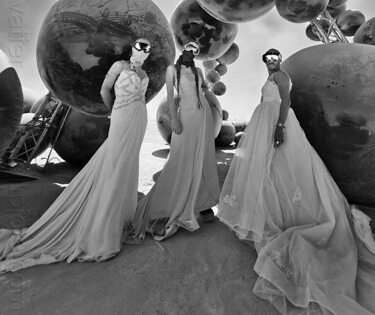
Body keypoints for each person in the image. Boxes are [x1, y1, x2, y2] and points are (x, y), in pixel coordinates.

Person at [217, 48, 375, 315]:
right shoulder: (270, 78)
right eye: (267, 58)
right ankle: (266, 206)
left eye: (274, 57)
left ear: (279, 60)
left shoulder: (282, 76)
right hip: (263, 120)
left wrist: (279, 127)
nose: (271, 61)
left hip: (278, 121)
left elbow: (286, 103)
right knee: (269, 169)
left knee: (285, 166)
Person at [0, 37, 151, 273]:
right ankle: (105, 223)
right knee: (115, 161)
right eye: (141, 45)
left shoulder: (145, 76)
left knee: (129, 164)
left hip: (139, 117)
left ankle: (122, 217)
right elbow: (104, 90)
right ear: (133, 49)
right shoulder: (119, 67)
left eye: (148, 48)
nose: (144, 49)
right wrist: (114, 111)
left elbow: (141, 98)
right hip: (121, 115)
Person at [124, 41, 220, 243]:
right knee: (179, 158)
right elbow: (170, 95)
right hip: (185, 115)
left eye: (196, 50)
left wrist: (204, 90)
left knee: (202, 157)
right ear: (183, 49)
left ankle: (202, 203)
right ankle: (169, 204)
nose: (192, 51)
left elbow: (202, 89)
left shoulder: (199, 70)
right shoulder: (172, 70)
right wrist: (174, 119)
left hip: (204, 117)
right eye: (189, 47)